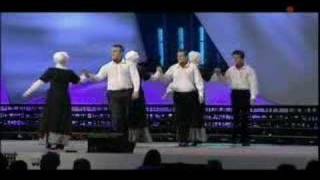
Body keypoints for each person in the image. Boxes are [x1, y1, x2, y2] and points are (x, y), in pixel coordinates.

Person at [23, 51, 87, 150]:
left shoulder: (51, 71)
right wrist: (84, 76)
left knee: (50, 118)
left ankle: (49, 142)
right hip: (64, 98)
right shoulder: (69, 73)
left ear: (55, 60)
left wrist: (28, 92)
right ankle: (60, 143)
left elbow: (39, 83)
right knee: (63, 119)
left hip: (53, 98)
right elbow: (79, 81)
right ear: (67, 60)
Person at [85, 44, 140, 140]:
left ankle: (126, 138)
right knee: (116, 116)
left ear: (121, 53)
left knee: (128, 116)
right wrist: (90, 76)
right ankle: (118, 138)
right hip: (113, 94)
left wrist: (136, 91)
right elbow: (99, 77)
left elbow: (135, 77)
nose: (113, 53)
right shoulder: (107, 66)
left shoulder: (130, 64)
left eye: (115, 51)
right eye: (112, 51)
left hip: (127, 92)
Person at [160, 49, 204, 147]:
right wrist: (160, 74)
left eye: (181, 56)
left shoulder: (193, 67)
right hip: (178, 96)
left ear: (186, 57)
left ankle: (189, 138)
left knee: (190, 118)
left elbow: (198, 81)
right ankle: (181, 140)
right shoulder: (173, 67)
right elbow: (165, 79)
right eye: (178, 56)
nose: (179, 58)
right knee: (180, 118)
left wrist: (201, 94)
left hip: (190, 95)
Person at [213, 50, 258, 146]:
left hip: (245, 93)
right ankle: (234, 138)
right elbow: (225, 82)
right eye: (234, 58)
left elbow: (253, 84)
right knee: (235, 117)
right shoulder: (231, 70)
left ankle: (245, 139)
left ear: (242, 58)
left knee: (245, 118)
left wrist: (253, 97)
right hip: (235, 93)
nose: (235, 60)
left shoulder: (249, 70)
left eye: (237, 58)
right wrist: (219, 74)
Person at [124, 51, 154, 143]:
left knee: (129, 116)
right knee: (140, 116)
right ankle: (140, 138)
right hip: (137, 95)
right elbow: (149, 77)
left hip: (125, 94)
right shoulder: (139, 68)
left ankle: (130, 138)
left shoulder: (123, 68)